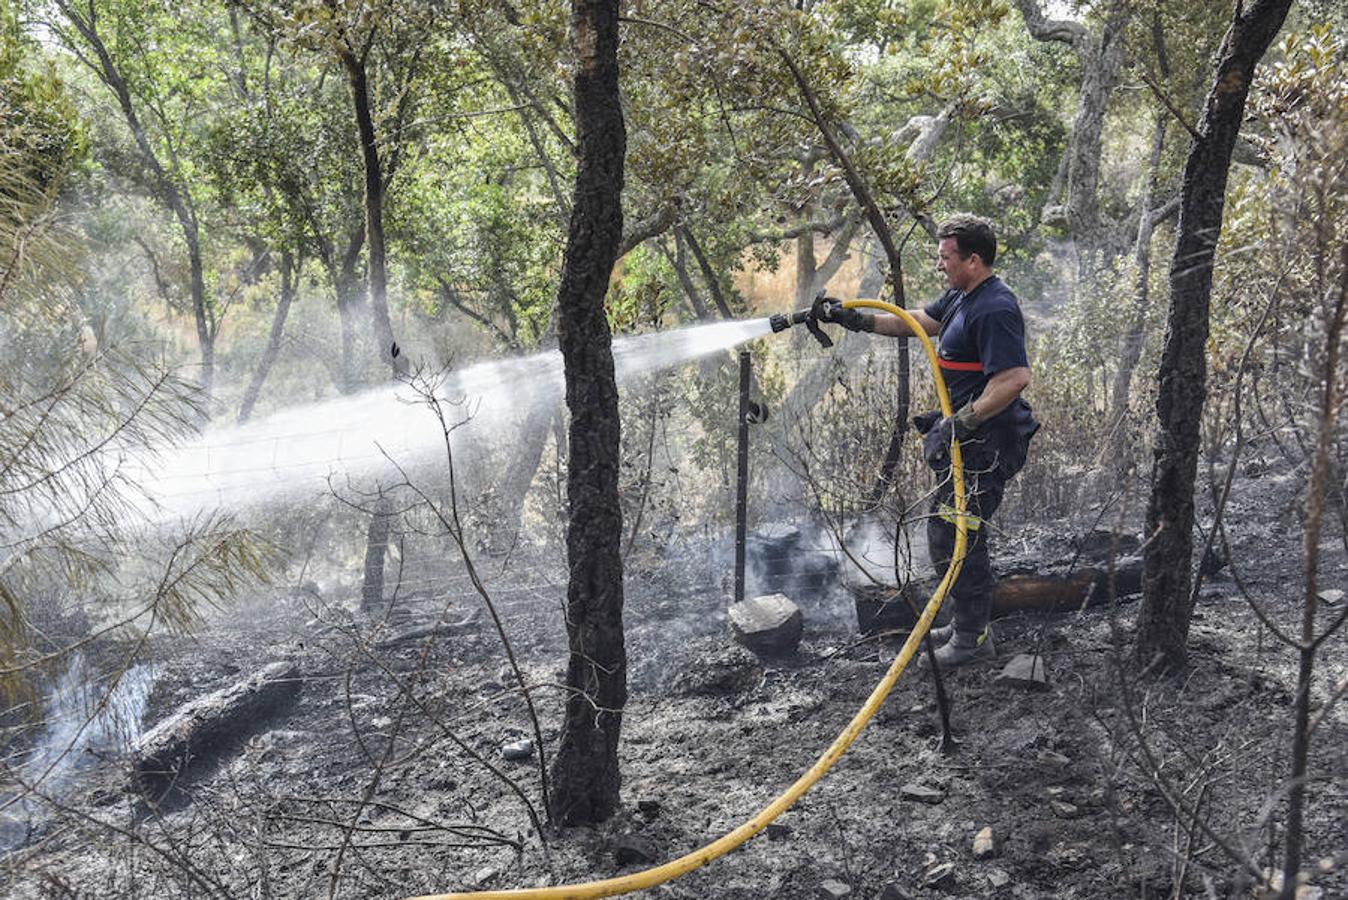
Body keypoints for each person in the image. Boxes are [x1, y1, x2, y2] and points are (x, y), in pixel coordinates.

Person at [817, 214, 1039, 666]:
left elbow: (1015, 378)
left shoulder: (995, 308)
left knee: (959, 534)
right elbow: (916, 322)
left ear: (973, 260)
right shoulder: (962, 295)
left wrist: (964, 421)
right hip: (967, 441)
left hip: (989, 444)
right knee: (947, 533)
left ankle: (973, 638)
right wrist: (855, 320)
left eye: (945, 257)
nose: (940, 265)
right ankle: (966, 624)